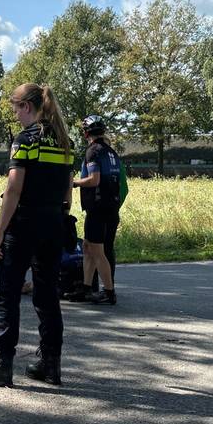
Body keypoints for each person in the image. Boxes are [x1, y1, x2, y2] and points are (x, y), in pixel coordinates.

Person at [0, 83, 73, 387]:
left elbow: (13, 190)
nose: (15, 114)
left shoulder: (26, 139)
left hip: (24, 223)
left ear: (26, 106)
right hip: (53, 223)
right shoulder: (64, 140)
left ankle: (2, 363)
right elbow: (67, 191)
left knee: (9, 293)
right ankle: (50, 364)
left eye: (15, 108)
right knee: (47, 295)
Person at [67, 115, 121, 305]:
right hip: (111, 207)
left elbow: (94, 179)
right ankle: (86, 287)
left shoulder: (93, 151)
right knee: (88, 247)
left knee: (97, 250)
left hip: (98, 207)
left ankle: (109, 292)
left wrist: (74, 183)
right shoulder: (111, 152)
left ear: (85, 133)